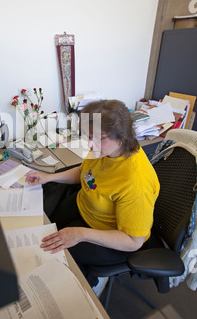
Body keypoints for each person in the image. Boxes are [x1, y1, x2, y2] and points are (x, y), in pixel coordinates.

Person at [25, 99, 160, 286]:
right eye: (88, 136)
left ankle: (90, 286)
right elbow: (84, 172)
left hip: (114, 238)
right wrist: (48, 177)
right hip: (86, 208)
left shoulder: (136, 180)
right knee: (44, 232)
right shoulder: (105, 151)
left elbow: (133, 241)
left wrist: (81, 234)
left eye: (97, 138)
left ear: (122, 136)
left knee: (60, 261)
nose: (89, 144)